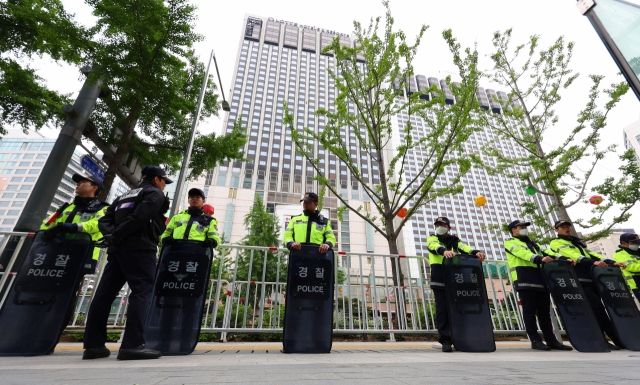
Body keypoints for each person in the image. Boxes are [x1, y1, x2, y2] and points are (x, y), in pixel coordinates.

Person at [82, 166, 171, 360]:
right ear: (157, 179)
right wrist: (118, 235)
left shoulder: (125, 195)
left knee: (104, 295)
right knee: (142, 293)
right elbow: (140, 217)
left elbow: (105, 219)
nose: (164, 185)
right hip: (140, 248)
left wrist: (112, 236)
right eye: (164, 181)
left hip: (117, 250)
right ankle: (132, 345)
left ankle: (93, 346)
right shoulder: (154, 193)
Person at [550, 220, 626, 350]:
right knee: (597, 309)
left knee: (598, 309)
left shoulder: (576, 242)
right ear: (557, 230)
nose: (566, 228)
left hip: (591, 279)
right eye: (562, 227)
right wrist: (591, 262)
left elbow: (592, 254)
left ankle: (612, 339)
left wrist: (610, 262)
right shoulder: (556, 242)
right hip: (577, 280)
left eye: (568, 226)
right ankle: (609, 339)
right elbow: (573, 255)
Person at [504, 220, 573, 351]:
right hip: (524, 278)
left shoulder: (533, 244)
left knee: (544, 312)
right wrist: (539, 258)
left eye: (525, 227)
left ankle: (551, 340)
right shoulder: (510, 242)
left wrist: (563, 259)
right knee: (529, 311)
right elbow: (522, 254)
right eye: (521, 227)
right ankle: (535, 340)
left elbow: (548, 252)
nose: (524, 228)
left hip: (540, 278)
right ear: (513, 229)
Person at [426, 216, 485, 352]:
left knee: (460, 309)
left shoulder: (455, 240)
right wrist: (444, 251)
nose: (440, 227)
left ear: (449, 227)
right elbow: (434, 246)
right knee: (443, 310)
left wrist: (476, 253)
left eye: (443, 224)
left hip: (455, 279)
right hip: (440, 278)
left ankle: (461, 338)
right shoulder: (432, 238)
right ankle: (445, 340)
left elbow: (465, 248)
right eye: (438, 225)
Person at [41, 173, 109, 273]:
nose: (78, 184)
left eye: (83, 182)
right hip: (55, 249)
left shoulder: (103, 208)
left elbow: (96, 224)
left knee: (68, 286)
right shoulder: (65, 207)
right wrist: (42, 236)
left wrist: (69, 227)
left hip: (83, 252)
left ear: (94, 187)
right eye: (78, 182)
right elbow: (46, 224)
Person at [613, 233, 640, 299]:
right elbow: (631, 267)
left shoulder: (637, 251)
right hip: (637, 284)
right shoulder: (619, 254)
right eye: (633, 242)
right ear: (624, 243)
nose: (637, 244)